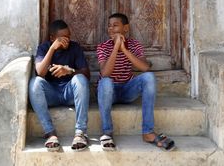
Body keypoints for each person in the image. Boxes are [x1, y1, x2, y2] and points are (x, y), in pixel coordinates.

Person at [97, 13, 175, 151]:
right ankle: (107, 132)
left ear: (126, 28)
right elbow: (105, 73)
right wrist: (115, 48)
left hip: (128, 90)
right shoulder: (103, 46)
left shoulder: (134, 45)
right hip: (109, 92)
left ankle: (148, 132)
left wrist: (124, 49)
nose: (110, 28)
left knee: (149, 76)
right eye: (109, 26)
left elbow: (144, 67)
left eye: (115, 25)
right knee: (105, 81)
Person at [29, 19, 90, 152]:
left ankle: (80, 133)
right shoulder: (44, 48)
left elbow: (86, 75)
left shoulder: (75, 47)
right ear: (52, 38)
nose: (67, 40)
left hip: (69, 93)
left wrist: (69, 70)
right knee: (35, 83)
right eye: (63, 38)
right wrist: (52, 49)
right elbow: (40, 72)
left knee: (80, 78)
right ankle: (50, 133)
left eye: (68, 36)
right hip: (51, 94)